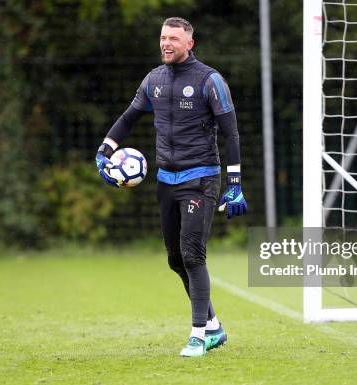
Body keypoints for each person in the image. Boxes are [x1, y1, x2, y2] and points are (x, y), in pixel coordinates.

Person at [95, 17, 247, 357]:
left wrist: (235, 182)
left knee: (193, 254)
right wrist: (105, 149)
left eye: (174, 39)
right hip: (166, 180)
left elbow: (231, 133)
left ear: (189, 43)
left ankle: (198, 336)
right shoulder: (154, 80)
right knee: (176, 259)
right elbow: (129, 118)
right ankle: (214, 327)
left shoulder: (210, 80)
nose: (167, 44)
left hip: (201, 177)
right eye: (163, 38)